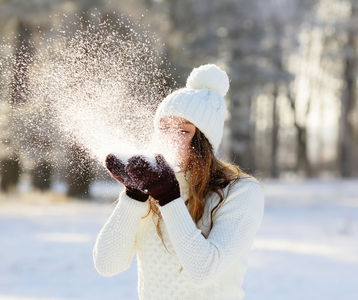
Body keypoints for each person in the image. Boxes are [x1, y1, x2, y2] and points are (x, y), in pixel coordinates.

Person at [93, 64, 264, 300]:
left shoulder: (241, 191)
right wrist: (134, 195)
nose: (170, 138)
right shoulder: (150, 184)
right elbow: (107, 264)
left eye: (183, 131)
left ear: (204, 140)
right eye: (164, 127)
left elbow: (203, 271)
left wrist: (169, 198)